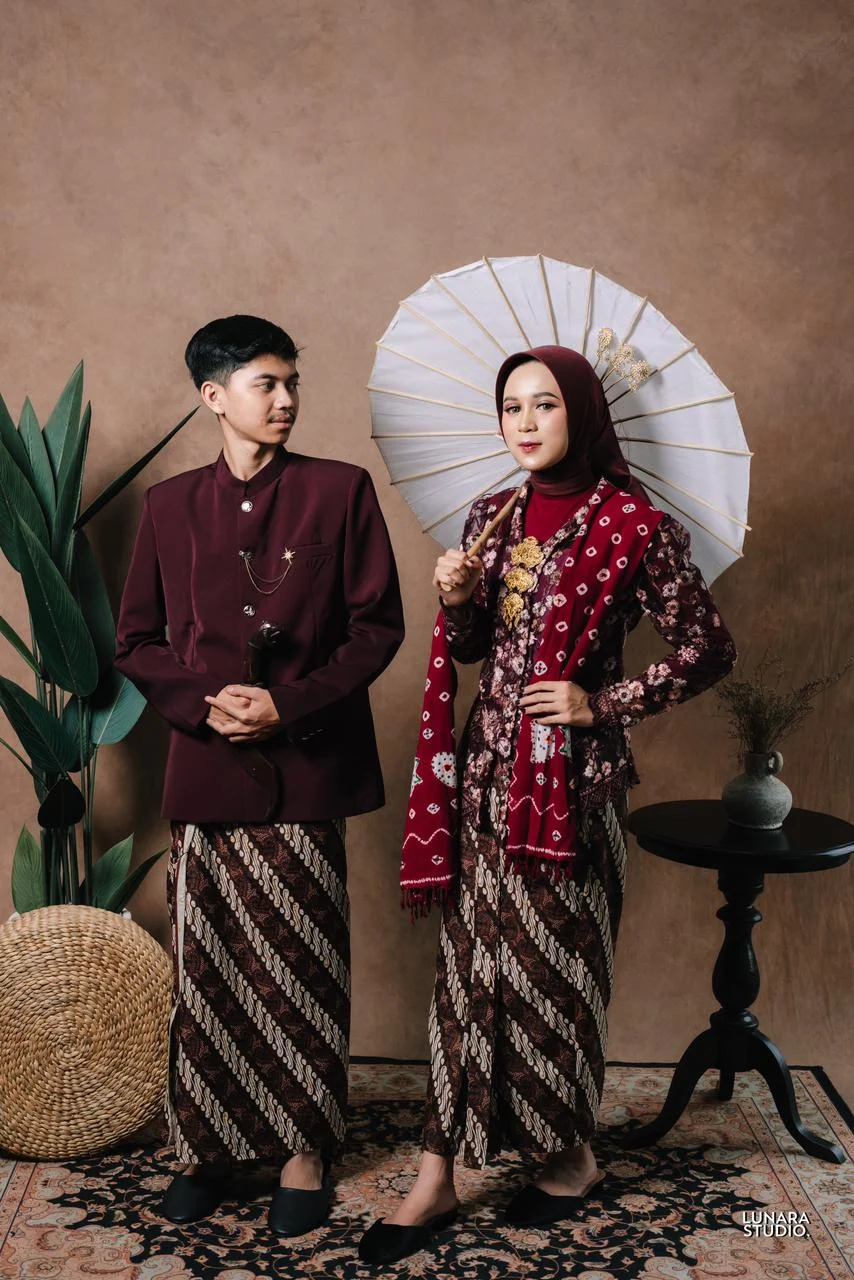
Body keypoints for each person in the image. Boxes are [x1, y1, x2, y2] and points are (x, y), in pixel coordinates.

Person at [358, 344, 737, 1265]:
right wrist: (457, 600)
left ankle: (569, 1161)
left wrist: (603, 702)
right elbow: (475, 647)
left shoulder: (636, 526)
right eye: (511, 407)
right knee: (465, 971)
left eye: (545, 404)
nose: (524, 423)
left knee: (554, 972)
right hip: (486, 779)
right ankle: (437, 1174)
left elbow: (708, 648)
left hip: (572, 785)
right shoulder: (490, 517)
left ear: (583, 413)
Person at [114, 314, 404, 1235]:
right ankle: (206, 1147)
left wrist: (289, 703)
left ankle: (303, 1150)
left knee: (302, 965)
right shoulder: (169, 506)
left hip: (307, 769)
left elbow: (377, 628)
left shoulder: (340, 491)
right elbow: (137, 640)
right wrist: (204, 704)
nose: (285, 400)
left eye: (291, 383)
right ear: (215, 396)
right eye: (264, 384)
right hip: (205, 770)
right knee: (207, 969)